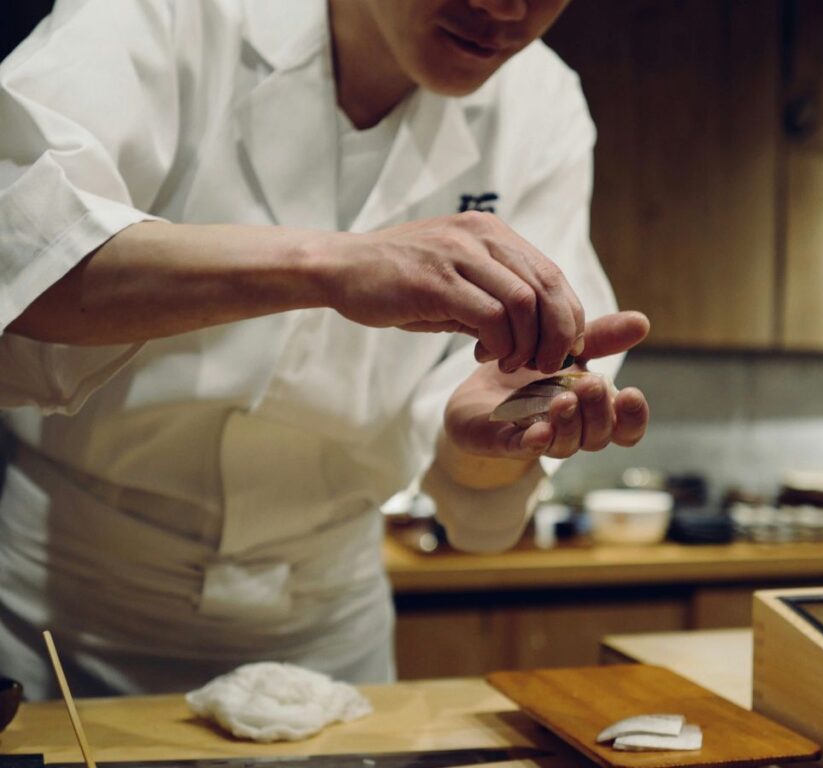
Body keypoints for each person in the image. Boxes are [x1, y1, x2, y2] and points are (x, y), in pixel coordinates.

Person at [0, 0, 651, 699]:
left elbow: (470, 452)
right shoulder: (169, 12)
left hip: (331, 636)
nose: (504, 7)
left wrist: (491, 440)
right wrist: (331, 265)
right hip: (64, 616)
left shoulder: (541, 105)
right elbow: (21, 243)